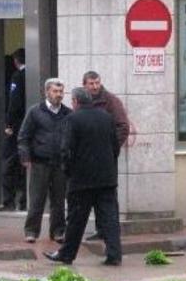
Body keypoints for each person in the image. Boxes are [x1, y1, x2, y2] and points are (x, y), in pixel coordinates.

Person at [43, 87, 121, 266]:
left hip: (81, 180)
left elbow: (66, 149)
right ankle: (114, 254)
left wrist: (68, 171)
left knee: (76, 220)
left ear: (76, 102)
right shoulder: (106, 117)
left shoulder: (72, 119)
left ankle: (67, 254)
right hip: (106, 179)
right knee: (109, 218)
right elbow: (114, 146)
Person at [17, 78, 71, 244]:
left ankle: (58, 231)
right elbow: (23, 136)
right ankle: (31, 231)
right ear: (47, 92)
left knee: (59, 200)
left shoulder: (68, 114)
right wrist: (25, 156)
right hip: (40, 162)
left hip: (60, 163)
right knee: (37, 199)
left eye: (61, 91)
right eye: (55, 91)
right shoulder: (35, 112)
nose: (58, 95)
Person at [81, 71, 130, 241]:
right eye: (91, 83)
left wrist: (111, 149)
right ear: (84, 85)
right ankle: (100, 229)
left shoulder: (111, 101)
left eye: (97, 83)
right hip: (88, 157)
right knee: (94, 195)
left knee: (108, 197)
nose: (95, 87)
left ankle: (111, 232)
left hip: (106, 157)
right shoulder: (82, 102)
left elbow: (123, 126)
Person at [0, 48, 27, 211]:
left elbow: (14, 102)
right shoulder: (31, 76)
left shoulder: (17, 76)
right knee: (25, 164)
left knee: (9, 163)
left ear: (16, 61)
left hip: (17, 126)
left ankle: (9, 201)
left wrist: (9, 124)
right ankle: (24, 202)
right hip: (28, 128)